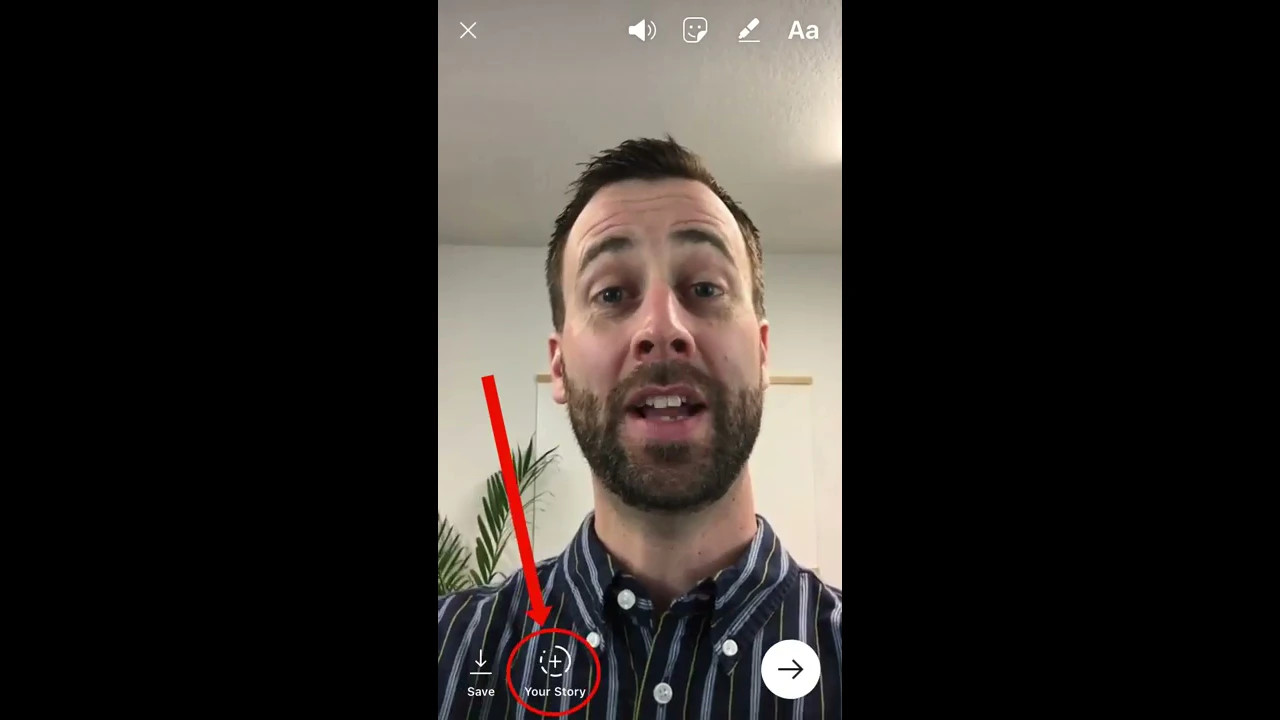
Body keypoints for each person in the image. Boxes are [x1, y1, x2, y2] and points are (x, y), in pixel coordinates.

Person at [437, 136, 842, 719]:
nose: (661, 327)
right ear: (559, 366)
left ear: (761, 353)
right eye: (611, 293)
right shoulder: (451, 651)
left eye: (705, 288)